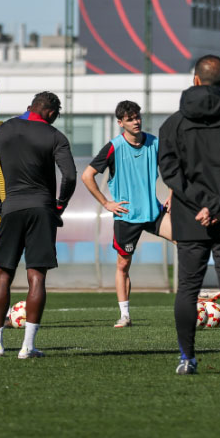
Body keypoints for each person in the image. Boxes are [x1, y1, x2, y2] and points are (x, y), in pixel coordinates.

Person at [158, 55, 220, 375]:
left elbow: (170, 173)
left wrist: (202, 204)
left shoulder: (172, 124)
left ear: (195, 80)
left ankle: (186, 359)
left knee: (187, 288)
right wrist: (217, 204)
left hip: (191, 215)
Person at [0, 92, 76, 359]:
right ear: (51, 113)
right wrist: (60, 204)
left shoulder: (3, 130)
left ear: (30, 107)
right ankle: (27, 347)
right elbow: (70, 176)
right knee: (36, 276)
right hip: (42, 209)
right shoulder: (55, 136)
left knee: (3, 274)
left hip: (11, 208)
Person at [81, 100, 165, 329]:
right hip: (127, 215)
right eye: (130, 119)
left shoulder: (154, 143)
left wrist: (174, 195)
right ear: (121, 123)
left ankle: (195, 300)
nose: (136, 121)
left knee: (189, 241)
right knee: (123, 265)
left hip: (154, 212)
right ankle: (125, 315)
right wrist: (106, 202)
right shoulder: (113, 147)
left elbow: (175, 168)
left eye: (138, 117)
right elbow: (87, 176)